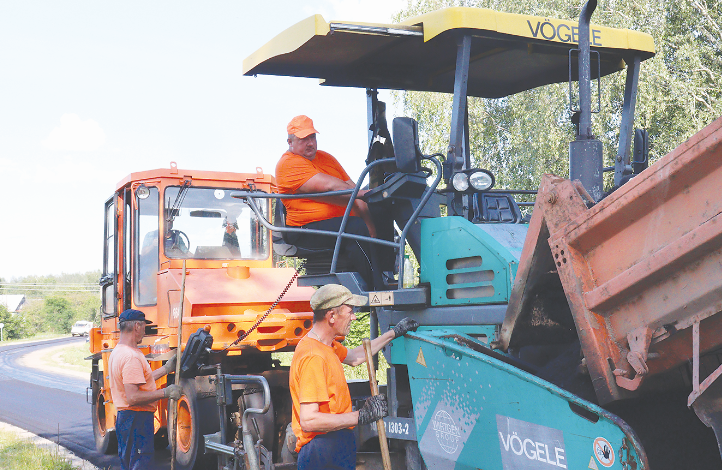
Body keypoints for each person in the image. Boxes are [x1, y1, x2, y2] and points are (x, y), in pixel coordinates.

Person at [289, 284, 419, 470]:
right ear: (332, 316)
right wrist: (361, 416)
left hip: (336, 442)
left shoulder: (326, 346)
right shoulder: (313, 357)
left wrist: (394, 333)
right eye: (350, 312)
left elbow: (356, 357)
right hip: (322, 449)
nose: (354, 317)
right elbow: (310, 421)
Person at [275, 115, 387, 289]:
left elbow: (353, 188)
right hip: (305, 229)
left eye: (312, 137)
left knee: (381, 212)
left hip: (334, 223)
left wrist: (371, 227)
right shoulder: (288, 164)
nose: (310, 143)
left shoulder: (326, 158)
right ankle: (378, 288)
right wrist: (361, 194)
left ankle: (388, 275)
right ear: (290, 142)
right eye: (304, 139)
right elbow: (329, 186)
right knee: (354, 228)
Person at [108, 309, 182, 470]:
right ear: (136, 326)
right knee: (140, 464)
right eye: (143, 326)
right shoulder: (131, 357)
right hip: (137, 419)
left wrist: (166, 369)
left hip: (128, 418)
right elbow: (133, 397)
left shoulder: (119, 352)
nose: (144, 331)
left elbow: (139, 381)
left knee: (130, 463)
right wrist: (166, 393)